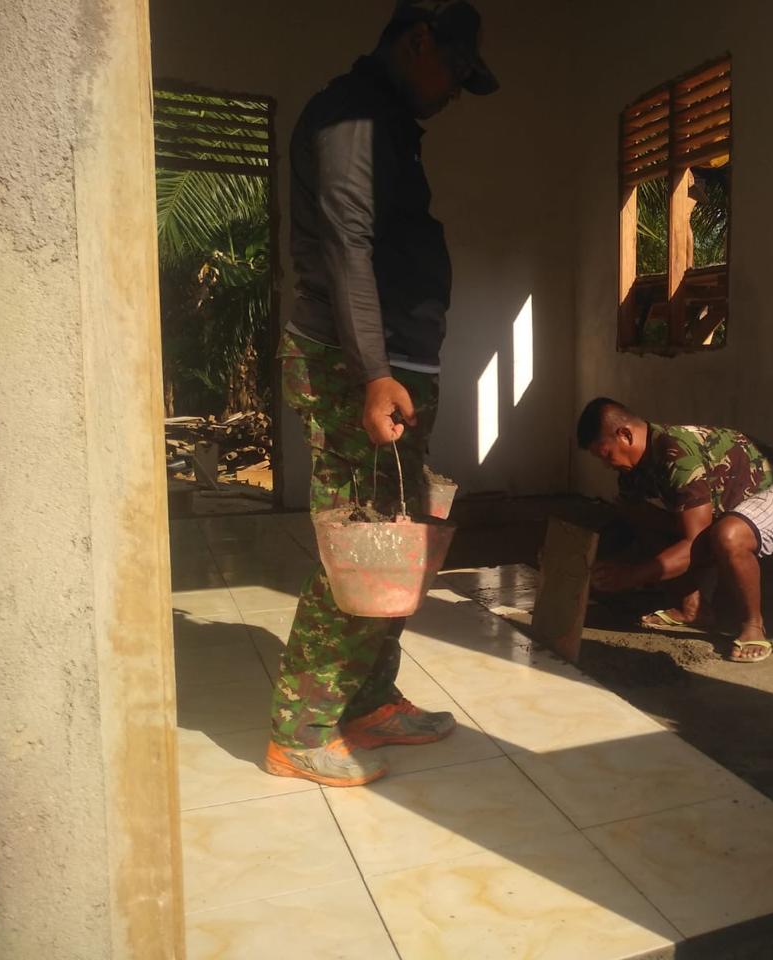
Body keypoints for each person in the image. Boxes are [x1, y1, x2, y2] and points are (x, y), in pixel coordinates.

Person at [264, 0, 498, 787]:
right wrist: (371, 371)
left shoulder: (388, 122)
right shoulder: (350, 116)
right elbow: (345, 243)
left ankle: (366, 699)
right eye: (456, 69)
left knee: (400, 538)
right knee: (361, 539)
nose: (456, 90)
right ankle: (299, 728)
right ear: (418, 40)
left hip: (393, 364)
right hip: (355, 364)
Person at [576, 398, 773, 664]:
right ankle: (694, 608)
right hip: (730, 504)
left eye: (606, 454)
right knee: (641, 516)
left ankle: (753, 625)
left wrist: (631, 575)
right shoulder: (632, 470)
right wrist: (583, 560)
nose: (607, 464)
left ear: (625, 435)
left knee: (727, 536)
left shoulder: (676, 453)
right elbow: (627, 523)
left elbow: (695, 545)